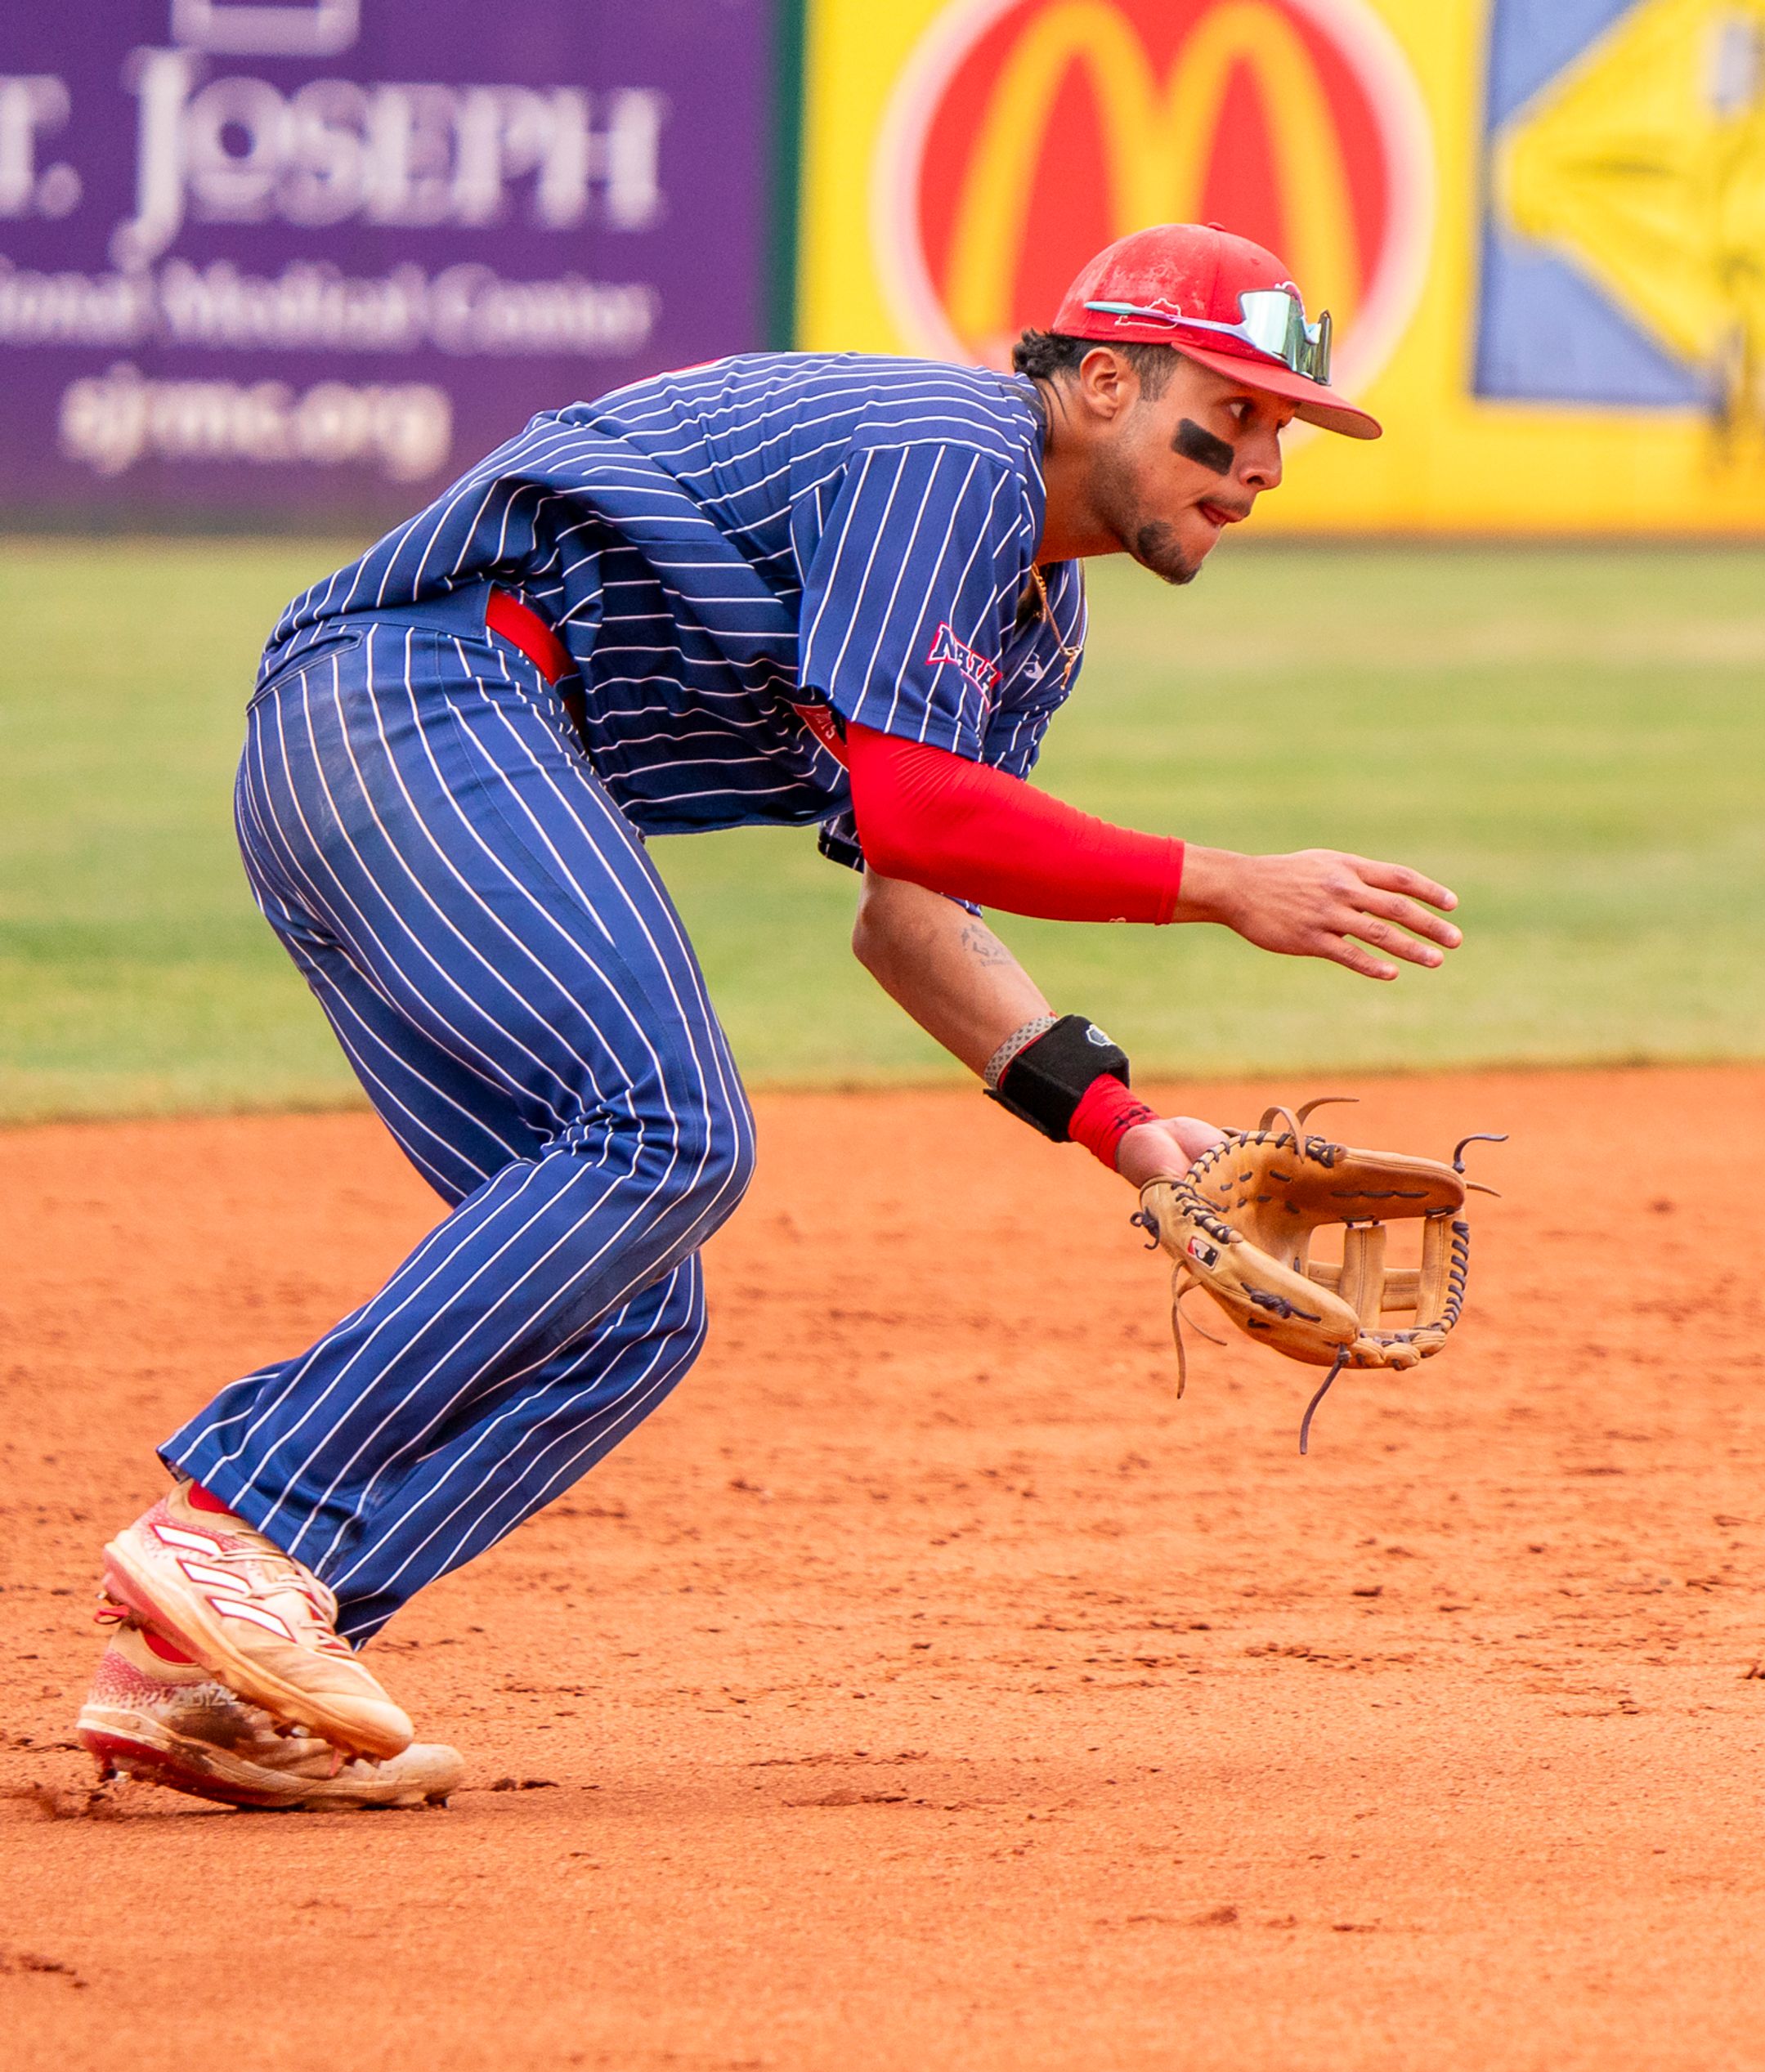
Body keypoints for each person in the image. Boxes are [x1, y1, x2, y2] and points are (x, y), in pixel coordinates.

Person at [74, 223, 1459, 1811]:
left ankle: (218, 1653)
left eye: (1288, 428)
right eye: (1242, 408)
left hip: (429, 760)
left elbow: (914, 906)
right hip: (414, 701)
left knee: (636, 1305)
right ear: (1098, 380)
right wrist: (1223, 881)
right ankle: (236, 1519)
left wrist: (1132, 1134)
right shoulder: (955, 454)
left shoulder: (1034, 622)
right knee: (668, 1134)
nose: (1267, 460)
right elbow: (925, 809)